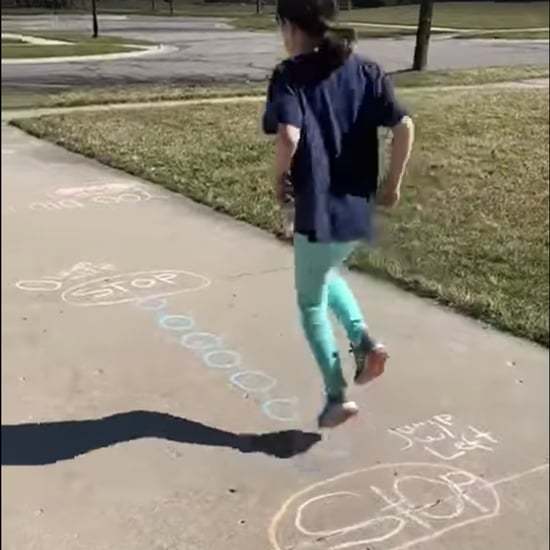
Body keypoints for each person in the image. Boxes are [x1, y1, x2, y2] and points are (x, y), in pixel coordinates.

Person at [262, 0, 415, 429]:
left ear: (291, 27)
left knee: (309, 300)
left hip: (316, 208)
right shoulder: (366, 70)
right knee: (326, 274)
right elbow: (404, 126)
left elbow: (288, 137)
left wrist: (279, 183)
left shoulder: (289, 75)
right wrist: (393, 184)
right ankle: (365, 343)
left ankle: (336, 396)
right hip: (356, 206)